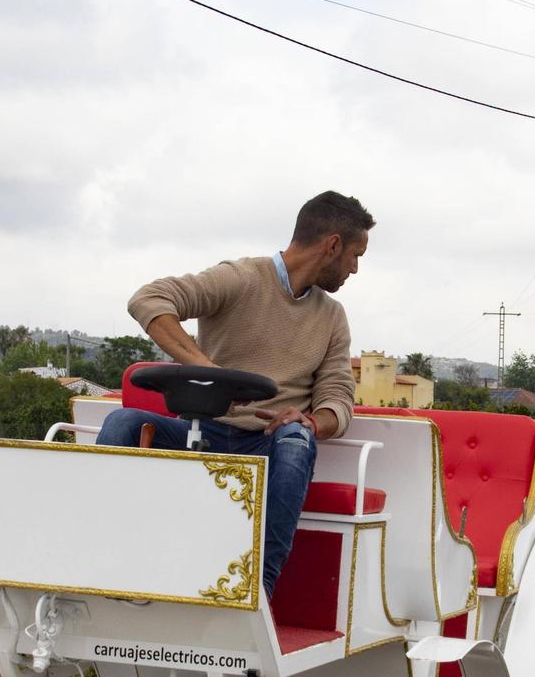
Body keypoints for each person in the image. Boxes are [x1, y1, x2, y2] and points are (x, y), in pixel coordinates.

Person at [97, 190, 371, 598]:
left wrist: (312, 420)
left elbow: (337, 397)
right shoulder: (241, 278)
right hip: (201, 432)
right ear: (332, 245)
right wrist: (208, 370)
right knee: (121, 422)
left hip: (267, 445)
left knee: (297, 440)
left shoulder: (332, 317)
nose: (354, 268)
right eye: (355, 255)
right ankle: (105, 567)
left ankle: (257, 593)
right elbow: (148, 299)